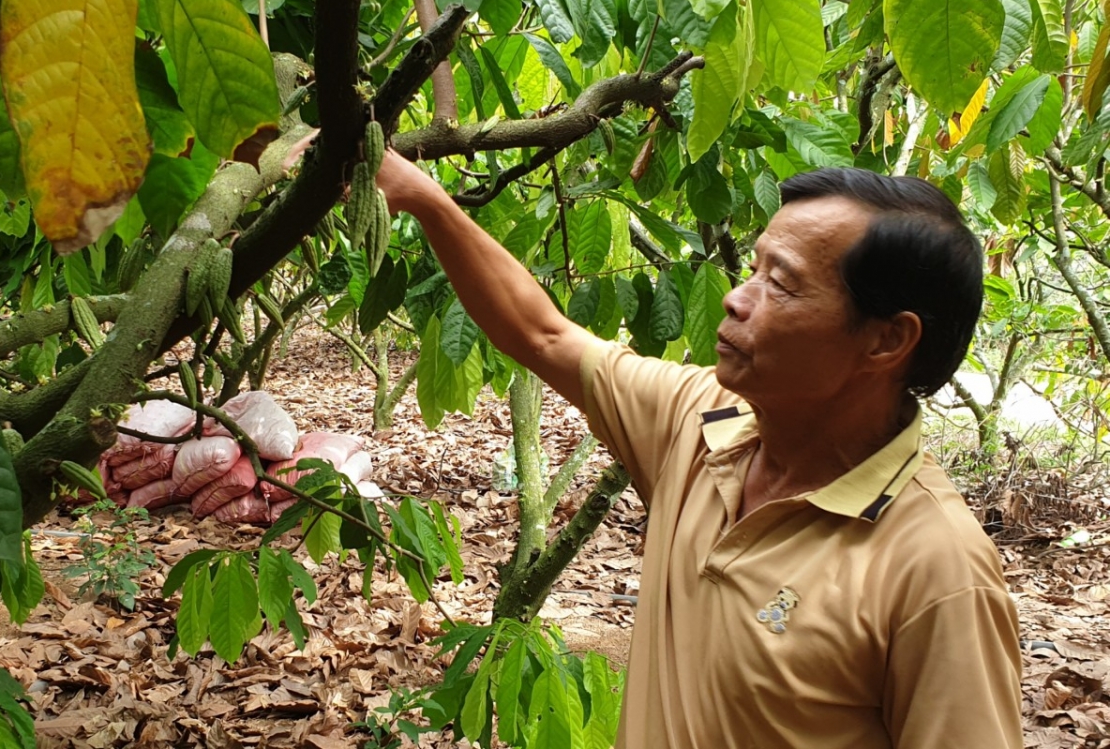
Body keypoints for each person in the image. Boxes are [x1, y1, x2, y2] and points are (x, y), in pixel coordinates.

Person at [374, 151, 1023, 748]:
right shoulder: (704, 419)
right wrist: (423, 197)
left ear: (886, 341)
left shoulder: (937, 570)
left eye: (784, 285)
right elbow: (542, 336)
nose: (738, 299)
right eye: (755, 269)